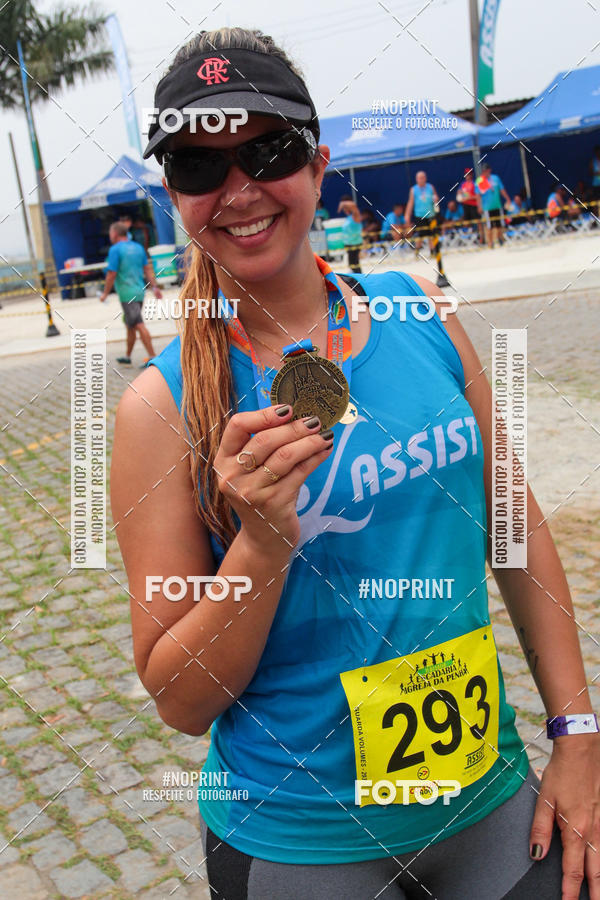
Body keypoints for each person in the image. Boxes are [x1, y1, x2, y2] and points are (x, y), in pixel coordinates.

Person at [111, 26, 598, 899]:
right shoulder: (160, 404)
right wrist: (260, 546)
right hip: (300, 841)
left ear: (318, 163)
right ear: (172, 195)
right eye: (197, 167)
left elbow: (514, 528)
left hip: (486, 799)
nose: (239, 189)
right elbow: (180, 703)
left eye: (268, 151)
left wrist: (577, 733)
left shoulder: (422, 312)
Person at [99, 221, 161, 367]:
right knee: (130, 325)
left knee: (138, 324)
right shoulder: (138, 247)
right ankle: (127, 357)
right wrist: (155, 287)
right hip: (140, 291)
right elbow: (147, 269)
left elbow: (111, 273)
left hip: (127, 294)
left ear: (114, 233)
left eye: (110, 232)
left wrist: (105, 294)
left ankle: (153, 357)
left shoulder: (115, 250)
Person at [475, 163, 511, 248]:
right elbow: (478, 195)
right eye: (484, 171)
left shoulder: (495, 178)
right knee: (489, 226)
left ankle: (499, 239)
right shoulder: (480, 180)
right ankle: (490, 242)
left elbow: (502, 189)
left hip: (497, 205)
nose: (485, 172)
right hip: (487, 207)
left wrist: (507, 199)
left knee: (499, 224)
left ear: (489, 170)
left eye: (486, 170)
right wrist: (479, 206)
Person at [404, 170, 439, 252]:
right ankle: (417, 251)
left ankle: (433, 251)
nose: (421, 179)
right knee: (421, 235)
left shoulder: (430, 187)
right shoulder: (413, 189)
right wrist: (407, 215)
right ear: (416, 179)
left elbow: (436, 198)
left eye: (423, 177)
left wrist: (436, 201)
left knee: (432, 234)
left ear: (425, 178)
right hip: (420, 215)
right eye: (420, 178)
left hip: (431, 214)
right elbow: (410, 203)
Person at [337, 194, 363, 273]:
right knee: (353, 264)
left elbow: (353, 205)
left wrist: (342, 204)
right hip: (348, 244)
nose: (344, 209)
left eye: (345, 207)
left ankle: (358, 280)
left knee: (354, 265)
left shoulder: (355, 215)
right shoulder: (349, 217)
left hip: (355, 244)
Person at [456, 166, 482, 241]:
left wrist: (469, 198)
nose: (468, 176)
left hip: (473, 205)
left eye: (469, 174)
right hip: (466, 205)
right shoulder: (462, 184)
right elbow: (459, 195)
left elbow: (477, 196)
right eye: (467, 174)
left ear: (472, 175)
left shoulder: (475, 183)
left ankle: (481, 238)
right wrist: (460, 195)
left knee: (478, 222)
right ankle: (469, 239)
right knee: (467, 223)